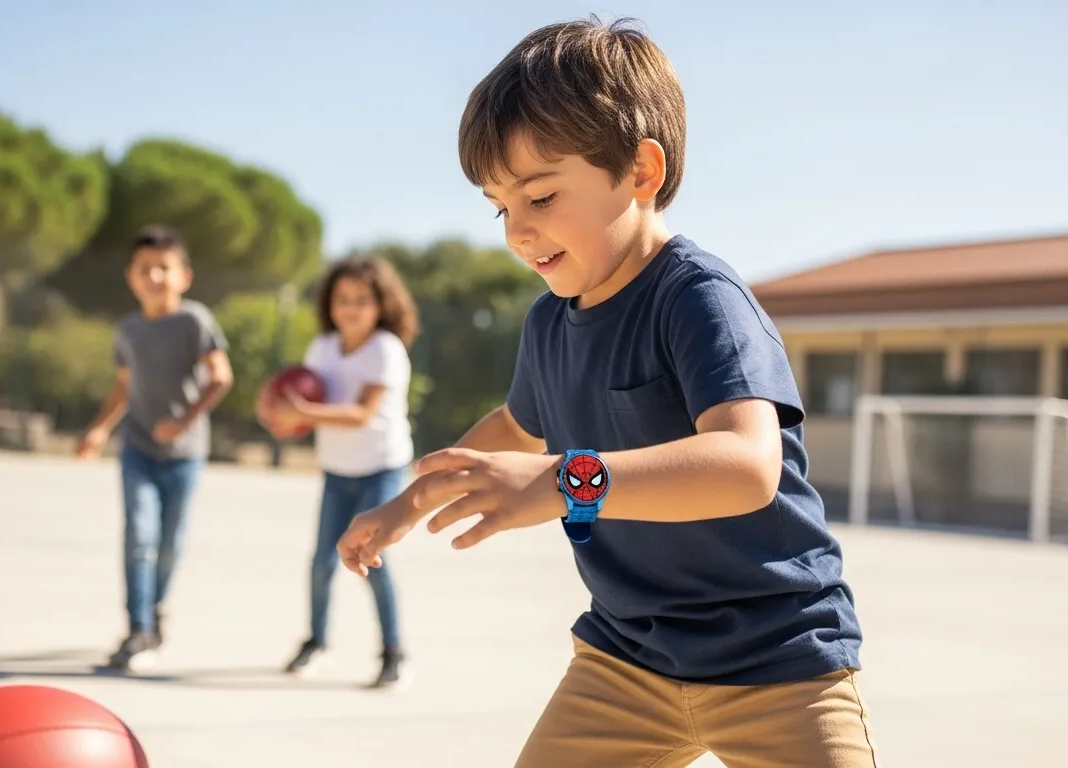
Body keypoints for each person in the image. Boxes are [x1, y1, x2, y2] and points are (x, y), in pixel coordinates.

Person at [338, 17, 878, 767]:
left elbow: (747, 466)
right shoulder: (550, 324)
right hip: (626, 661)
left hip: (777, 659)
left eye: (542, 196)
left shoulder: (700, 299)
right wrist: (406, 503)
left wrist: (566, 484)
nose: (517, 232)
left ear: (641, 172)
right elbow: (517, 428)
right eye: (501, 207)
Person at [256, 254, 420, 690]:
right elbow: (300, 401)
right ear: (329, 303)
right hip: (337, 471)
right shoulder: (322, 348)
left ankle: (394, 654)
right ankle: (316, 643)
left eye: (362, 299)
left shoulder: (385, 349)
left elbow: (361, 413)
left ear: (382, 304)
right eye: (342, 299)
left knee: (373, 559)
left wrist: (303, 410)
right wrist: (277, 410)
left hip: (381, 469)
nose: (350, 307)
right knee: (322, 562)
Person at [76, 224, 233, 672]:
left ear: (184, 275)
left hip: (184, 456)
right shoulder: (127, 330)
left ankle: (156, 608)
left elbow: (221, 376)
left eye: (164, 268)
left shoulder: (194, 321)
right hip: (137, 450)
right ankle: (138, 628)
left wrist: (183, 420)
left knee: (169, 545)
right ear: (131, 276)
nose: (154, 277)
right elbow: (124, 386)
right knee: (139, 538)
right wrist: (99, 429)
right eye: (145, 269)